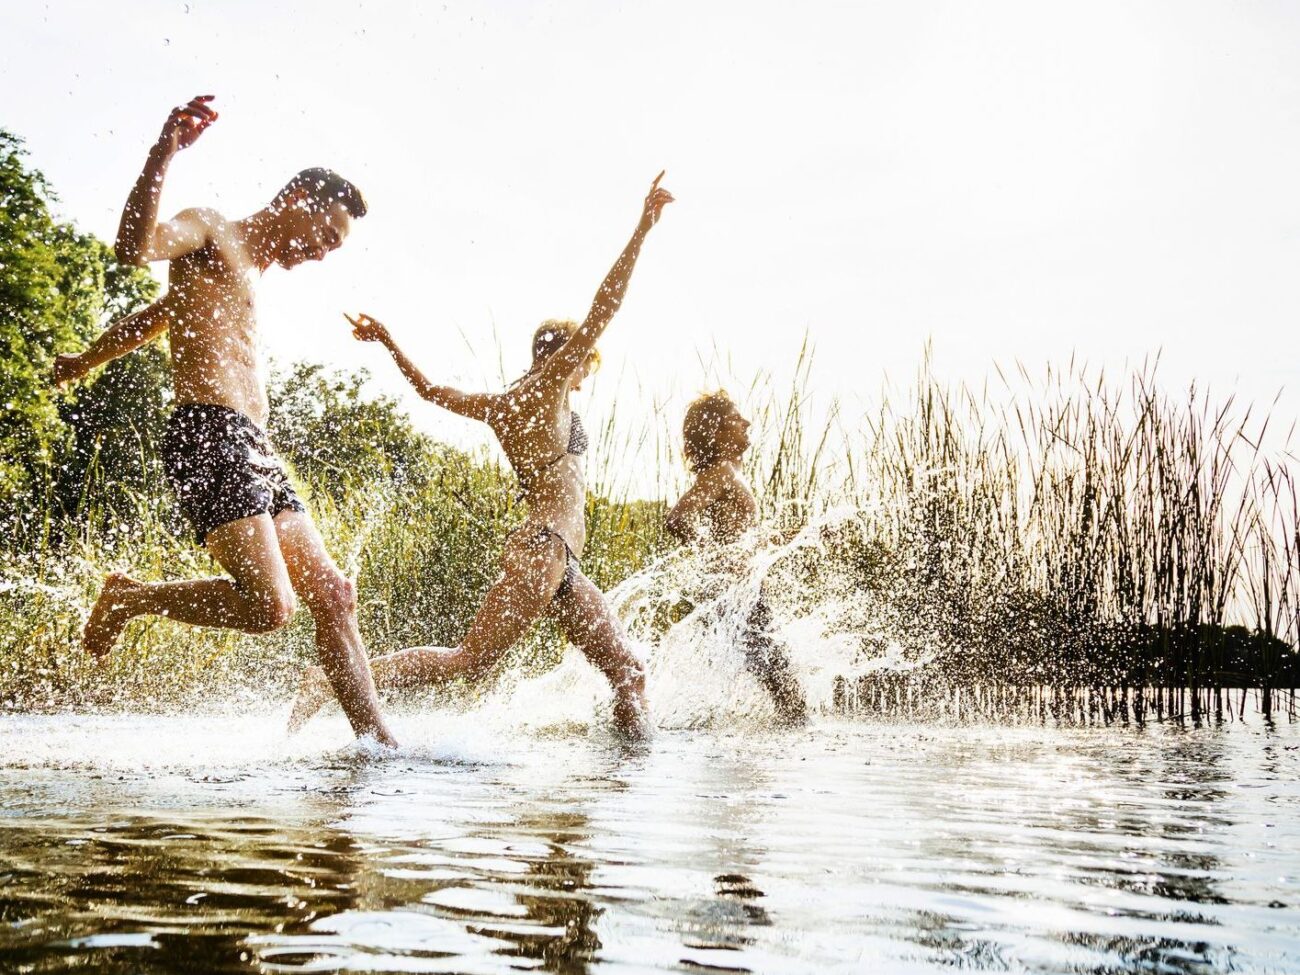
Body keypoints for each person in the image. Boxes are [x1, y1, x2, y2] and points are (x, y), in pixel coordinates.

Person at [53, 95, 396, 747]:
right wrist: (163, 153)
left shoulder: (249, 274)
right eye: (327, 234)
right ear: (299, 196)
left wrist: (91, 355)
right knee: (271, 607)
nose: (325, 253)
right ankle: (130, 597)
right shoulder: (211, 229)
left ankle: (380, 747)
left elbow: (156, 318)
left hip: (255, 447)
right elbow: (135, 248)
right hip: (206, 434)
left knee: (334, 592)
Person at [289, 174, 675, 739]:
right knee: (470, 661)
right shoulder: (547, 389)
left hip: (557, 559)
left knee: (627, 671)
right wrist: (641, 228)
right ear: (573, 361)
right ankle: (331, 680)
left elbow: (428, 390)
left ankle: (621, 780)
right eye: (581, 359)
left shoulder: (503, 403)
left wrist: (390, 342)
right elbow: (605, 305)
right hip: (543, 551)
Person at [665, 391, 808, 724]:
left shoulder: (730, 472)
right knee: (790, 698)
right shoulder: (722, 472)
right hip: (738, 594)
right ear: (716, 431)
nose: (747, 422)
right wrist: (715, 558)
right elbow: (677, 518)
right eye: (736, 418)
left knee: (784, 691)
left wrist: (795, 537)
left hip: (743, 593)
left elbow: (741, 540)